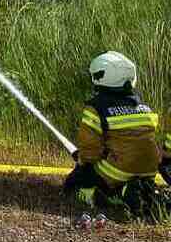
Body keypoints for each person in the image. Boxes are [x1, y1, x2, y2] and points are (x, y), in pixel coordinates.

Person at [64, 51, 164, 218]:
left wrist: (82, 161)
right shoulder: (144, 107)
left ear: (99, 77)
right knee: (125, 172)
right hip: (149, 169)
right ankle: (138, 188)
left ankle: (112, 196)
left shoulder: (96, 108)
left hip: (118, 171)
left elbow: (90, 150)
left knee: (73, 183)